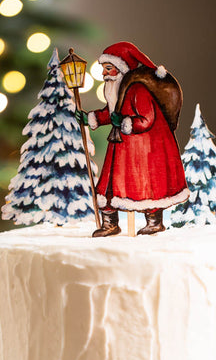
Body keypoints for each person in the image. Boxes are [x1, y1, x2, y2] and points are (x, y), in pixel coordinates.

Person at [78, 41, 189, 236]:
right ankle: (110, 224)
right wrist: (91, 118)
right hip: (122, 145)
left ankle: (154, 223)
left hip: (144, 149)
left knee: (146, 186)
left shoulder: (138, 90)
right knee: (108, 185)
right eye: (103, 69)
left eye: (108, 69)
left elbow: (147, 119)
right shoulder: (117, 89)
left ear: (121, 69)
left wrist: (124, 121)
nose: (104, 74)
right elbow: (112, 112)